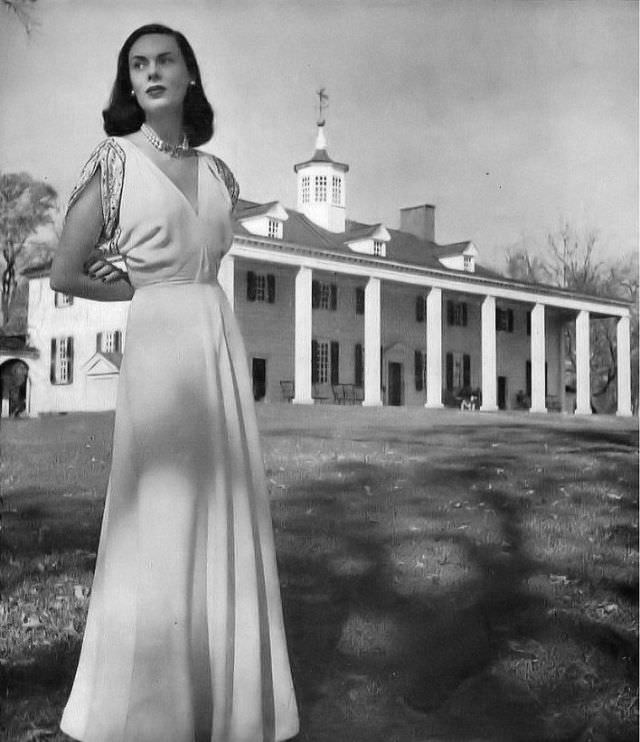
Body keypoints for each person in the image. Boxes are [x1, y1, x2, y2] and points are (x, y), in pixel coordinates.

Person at [50, 24, 299, 742]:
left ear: (190, 76)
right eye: (139, 65)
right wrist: (135, 285)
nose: (153, 72)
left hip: (216, 339)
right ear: (129, 85)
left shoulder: (221, 176)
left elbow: (206, 256)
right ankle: (151, 712)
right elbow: (67, 270)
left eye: (166, 61)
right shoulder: (115, 162)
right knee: (161, 515)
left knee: (223, 510)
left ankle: (227, 706)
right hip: (160, 344)